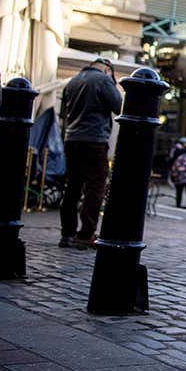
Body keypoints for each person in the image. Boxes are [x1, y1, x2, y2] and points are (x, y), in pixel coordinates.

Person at [59, 58, 122, 249]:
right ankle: (86, 234)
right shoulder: (103, 80)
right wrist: (112, 84)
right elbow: (119, 106)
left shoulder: (73, 81)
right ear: (107, 70)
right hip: (94, 140)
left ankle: (67, 233)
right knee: (96, 186)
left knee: (72, 186)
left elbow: (63, 112)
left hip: (71, 139)